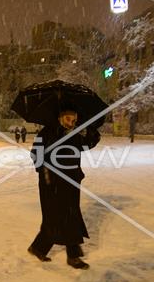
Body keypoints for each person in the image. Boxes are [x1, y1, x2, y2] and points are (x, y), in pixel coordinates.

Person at [28, 107, 100, 270]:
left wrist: (88, 129)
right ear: (60, 118)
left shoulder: (76, 133)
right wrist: (45, 171)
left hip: (72, 181)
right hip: (51, 182)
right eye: (68, 119)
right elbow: (35, 155)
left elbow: (90, 143)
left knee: (69, 215)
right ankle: (73, 256)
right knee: (57, 216)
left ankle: (39, 247)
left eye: (74, 119)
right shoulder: (47, 133)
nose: (71, 123)